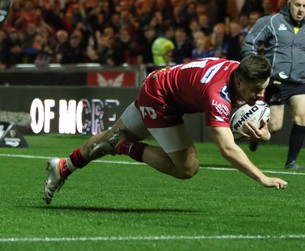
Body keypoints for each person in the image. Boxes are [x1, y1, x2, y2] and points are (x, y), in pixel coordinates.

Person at [43, 55, 288, 205]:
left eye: (263, 88)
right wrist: (261, 177)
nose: (260, 96)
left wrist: (263, 133)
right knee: (187, 167)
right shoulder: (218, 95)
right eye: (256, 90)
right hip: (161, 98)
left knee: (112, 134)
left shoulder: (242, 72)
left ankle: (64, 166)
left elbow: (244, 117)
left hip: (159, 83)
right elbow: (227, 148)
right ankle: (123, 146)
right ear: (239, 82)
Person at [241, 0, 305, 170]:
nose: (301, 10)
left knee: (302, 117)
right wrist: (255, 66)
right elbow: (249, 43)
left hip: (300, 80)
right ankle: (256, 137)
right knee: (274, 126)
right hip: (276, 81)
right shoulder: (271, 22)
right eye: (297, 5)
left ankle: (291, 162)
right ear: (289, 4)